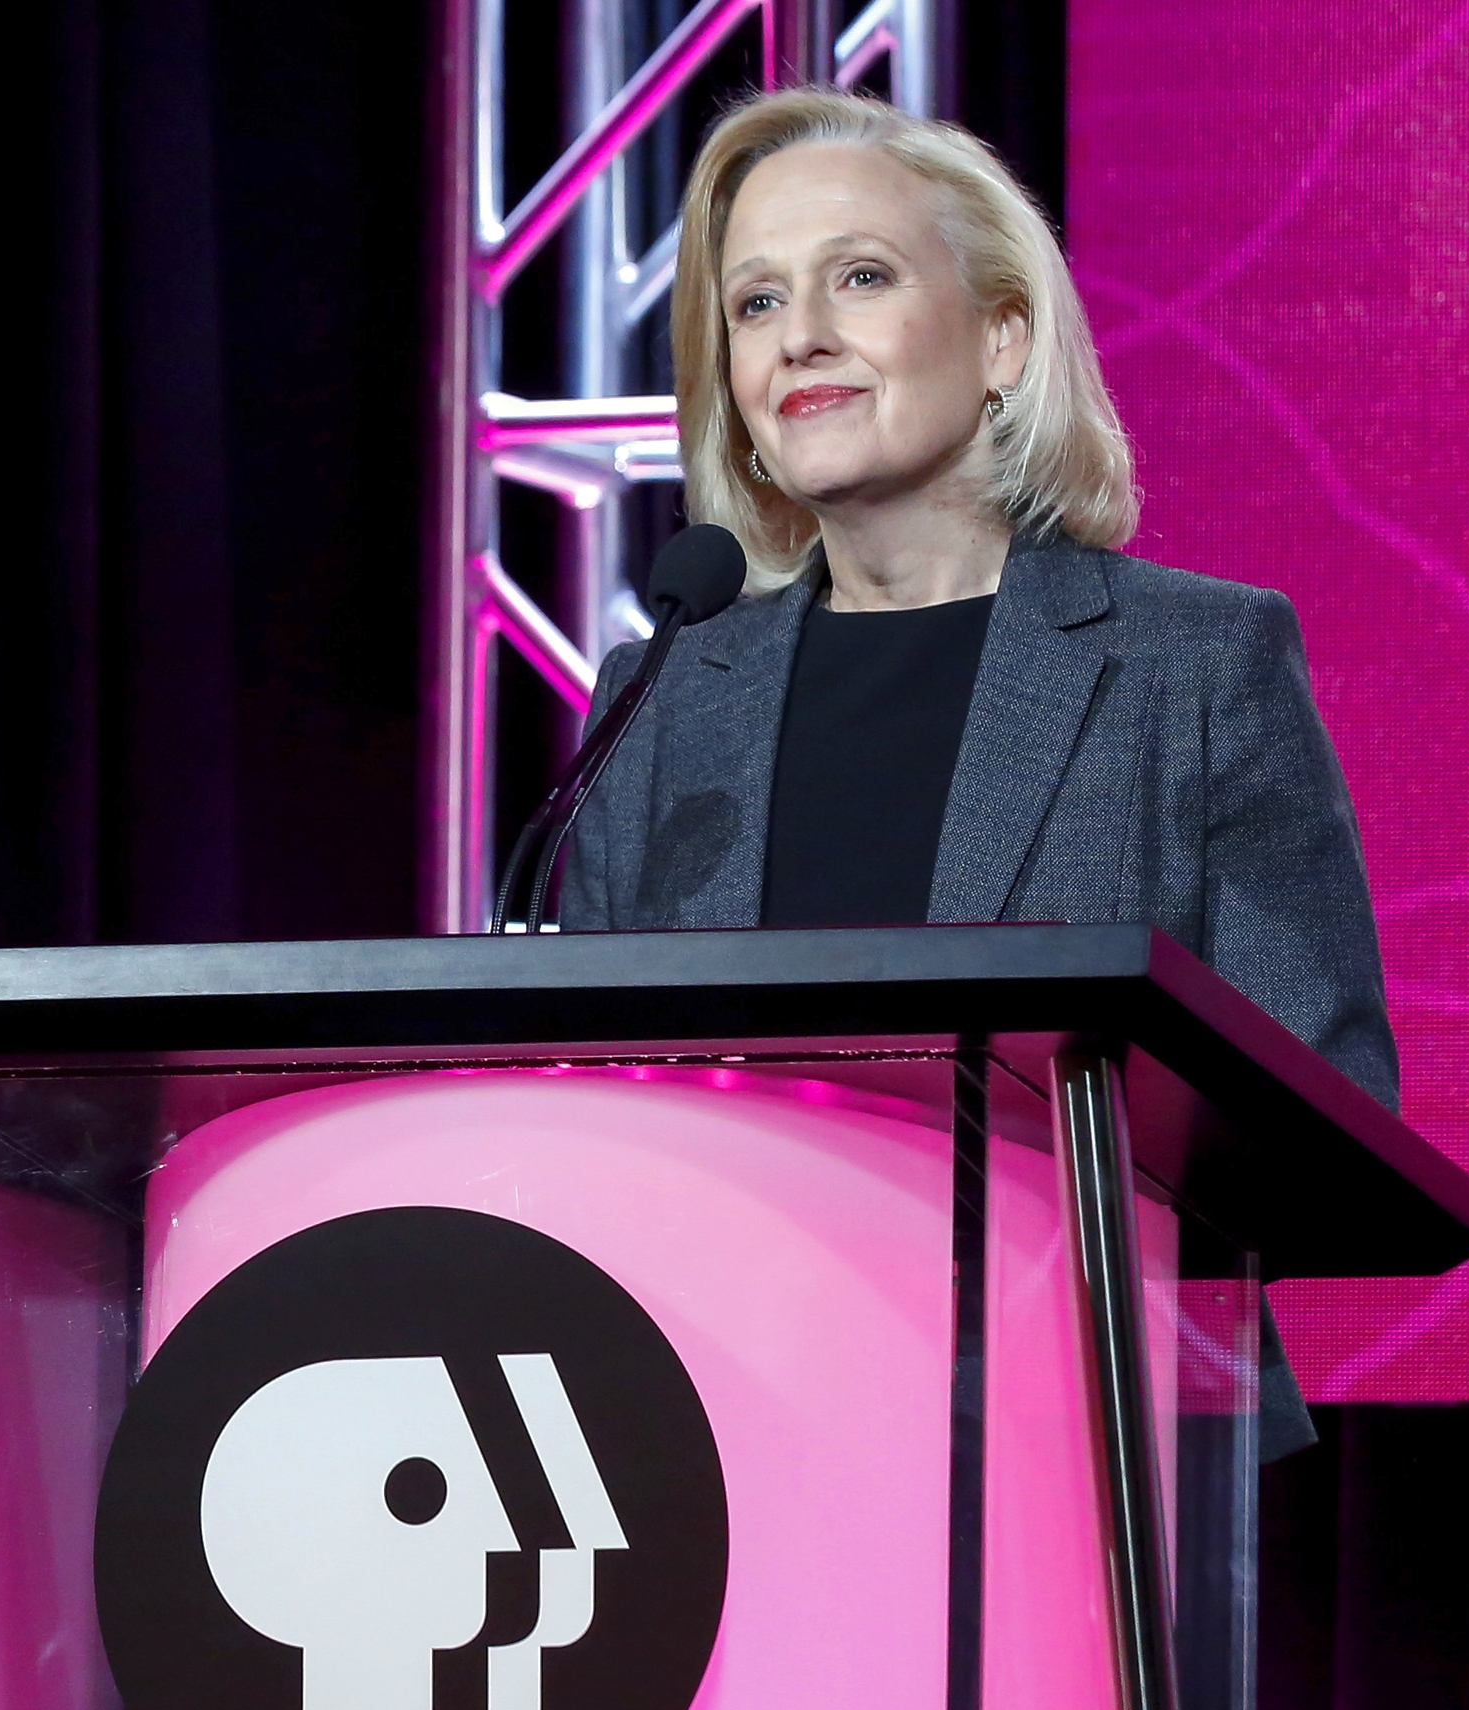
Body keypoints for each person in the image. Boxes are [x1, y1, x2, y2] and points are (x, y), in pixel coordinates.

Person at [562, 88, 1397, 1451]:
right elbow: (579, 1106)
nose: (802, 337)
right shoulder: (664, 700)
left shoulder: (1194, 664)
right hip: (712, 1430)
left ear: (1005, 339)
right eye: (757, 305)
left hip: (1083, 1424)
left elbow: (1324, 1097)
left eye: (864, 277)